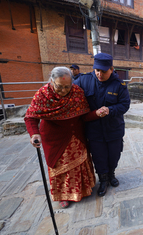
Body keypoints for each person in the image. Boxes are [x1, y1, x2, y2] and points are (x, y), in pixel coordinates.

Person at [24, 66, 106, 208]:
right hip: (54, 138)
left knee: (79, 164)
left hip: (76, 135)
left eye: (67, 87)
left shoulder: (77, 93)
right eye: (59, 86)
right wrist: (34, 134)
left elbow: (84, 116)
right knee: (60, 167)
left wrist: (96, 113)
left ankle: (83, 190)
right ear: (51, 81)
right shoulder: (42, 95)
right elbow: (31, 117)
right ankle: (63, 196)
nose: (63, 90)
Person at [74, 53, 130, 197]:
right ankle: (103, 179)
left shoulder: (119, 85)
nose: (99, 74)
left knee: (114, 155)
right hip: (94, 130)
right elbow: (68, 93)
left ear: (111, 69)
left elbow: (124, 105)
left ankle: (111, 174)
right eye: (97, 70)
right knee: (99, 156)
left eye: (103, 71)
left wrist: (110, 110)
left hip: (114, 129)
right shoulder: (83, 81)